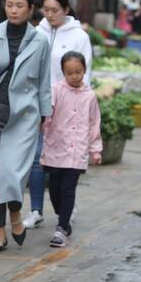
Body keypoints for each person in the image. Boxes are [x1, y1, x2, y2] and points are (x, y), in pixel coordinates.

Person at [0, 0, 51, 252]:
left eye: (19, 5)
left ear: (31, 9)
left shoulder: (40, 40)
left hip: (24, 114)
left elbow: (44, 80)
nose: (13, 10)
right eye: (9, 5)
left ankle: (15, 213)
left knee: (12, 173)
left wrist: (45, 114)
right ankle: (0, 230)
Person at [23, 0, 93, 229]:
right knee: (36, 159)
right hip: (36, 104)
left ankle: (67, 204)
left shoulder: (79, 37)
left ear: (67, 10)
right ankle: (35, 209)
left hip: (65, 107)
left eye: (55, 10)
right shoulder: (36, 33)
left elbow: (85, 74)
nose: (50, 14)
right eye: (46, 9)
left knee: (64, 162)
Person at [40, 52, 102, 248]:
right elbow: (46, 111)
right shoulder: (56, 90)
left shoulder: (90, 96)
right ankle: (64, 217)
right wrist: (42, 117)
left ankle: (61, 227)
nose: (74, 76)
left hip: (77, 151)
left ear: (84, 70)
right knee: (54, 191)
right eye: (70, 73)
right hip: (55, 148)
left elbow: (94, 124)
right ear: (63, 73)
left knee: (68, 189)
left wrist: (96, 150)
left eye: (78, 72)